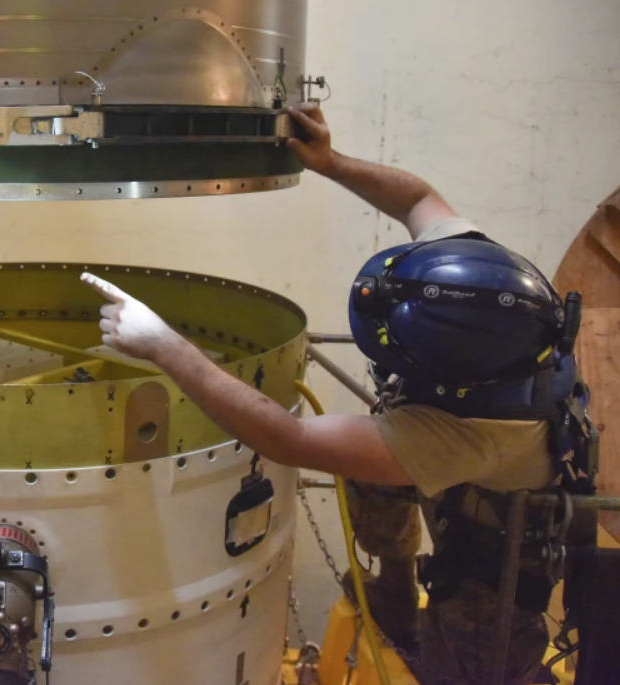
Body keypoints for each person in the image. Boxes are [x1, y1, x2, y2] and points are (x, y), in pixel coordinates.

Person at [80, 103, 595, 685]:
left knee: (477, 662)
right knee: (368, 461)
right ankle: (395, 592)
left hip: (497, 542)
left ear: (448, 376)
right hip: (476, 469)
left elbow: (288, 438)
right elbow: (417, 198)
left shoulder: (472, 432)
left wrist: (162, 346)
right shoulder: (477, 280)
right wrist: (330, 162)